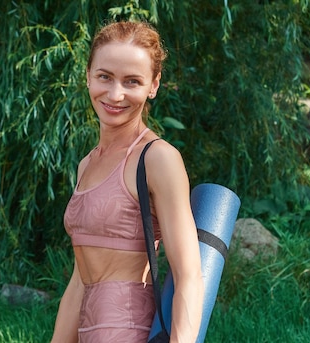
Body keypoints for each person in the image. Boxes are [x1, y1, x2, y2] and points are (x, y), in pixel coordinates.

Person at [51, 21, 204, 343]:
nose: (115, 94)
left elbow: (188, 274)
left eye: (132, 81)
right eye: (105, 76)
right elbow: (81, 277)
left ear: (153, 85)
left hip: (125, 329)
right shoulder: (87, 163)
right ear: (88, 75)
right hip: (84, 327)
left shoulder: (158, 158)